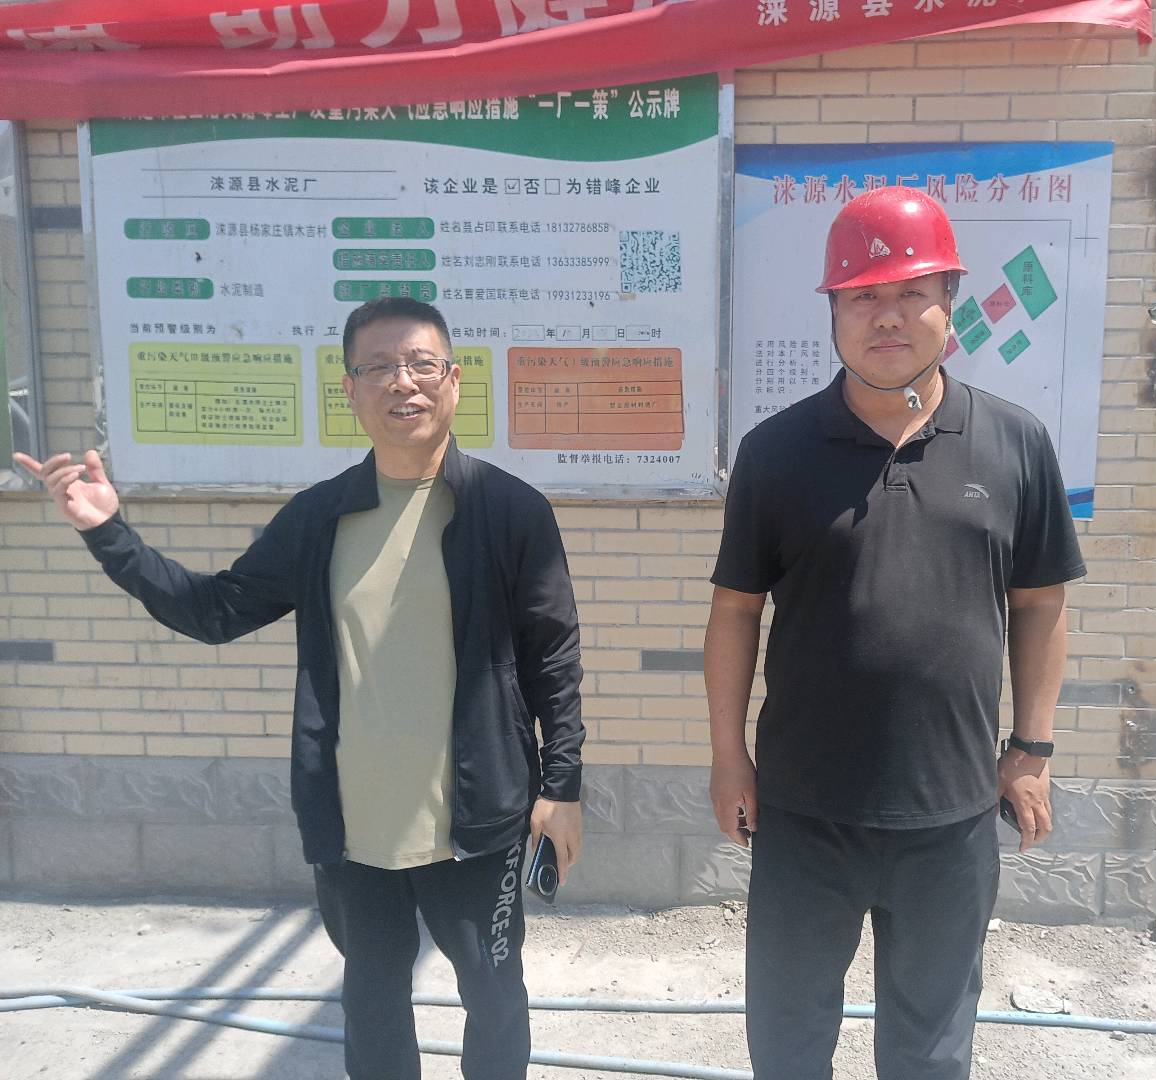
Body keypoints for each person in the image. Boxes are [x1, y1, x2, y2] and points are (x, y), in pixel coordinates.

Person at [14, 296, 585, 1080]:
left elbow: (554, 659)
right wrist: (109, 533)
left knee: (494, 1001)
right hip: (352, 831)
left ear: (454, 381)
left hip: (479, 824)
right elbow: (215, 611)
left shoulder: (510, 511)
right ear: (348, 389)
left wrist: (562, 787)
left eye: (421, 364)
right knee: (373, 1011)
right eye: (378, 367)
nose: (402, 382)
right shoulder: (319, 518)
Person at [704, 186, 1086, 1080]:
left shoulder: (1015, 443)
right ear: (833, 312)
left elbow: (1040, 605)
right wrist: (728, 758)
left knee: (930, 1051)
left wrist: (1031, 749)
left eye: (912, 292)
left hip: (952, 812)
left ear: (950, 302)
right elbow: (734, 613)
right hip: (804, 810)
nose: (888, 316)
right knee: (788, 1043)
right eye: (863, 296)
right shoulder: (776, 451)